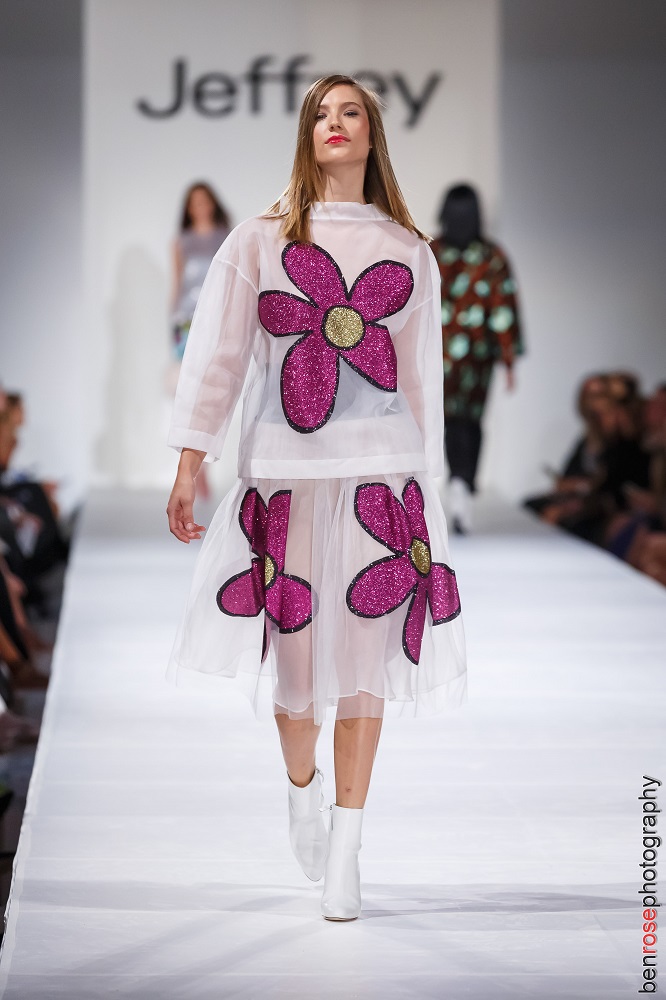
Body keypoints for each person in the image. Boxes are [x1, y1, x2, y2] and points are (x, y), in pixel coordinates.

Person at [166, 75, 466, 922]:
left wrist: (429, 488)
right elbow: (219, 359)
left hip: (381, 474)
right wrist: (189, 463)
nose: (335, 123)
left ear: (372, 133)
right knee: (296, 676)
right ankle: (303, 790)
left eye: (351, 112)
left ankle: (348, 848)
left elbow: (419, 381)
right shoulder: (262, 240)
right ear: (306, 135)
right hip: (286, 474)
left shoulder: (409, 250)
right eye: (321, 114)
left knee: (366, 669)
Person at [431, 184, 524, 533]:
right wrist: (508, 359)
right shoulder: (491, 256)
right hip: (478, 357)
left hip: (439, 355)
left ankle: (459, 483)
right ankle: (464, 484)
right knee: (469, 421)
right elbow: (503, 309)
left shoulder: (433, 252)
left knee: (448, 420)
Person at [169, 183, 231, 500]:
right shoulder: (181, 242)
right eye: (194, 202)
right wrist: (171, 324)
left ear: (212, 203)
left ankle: (202, 461)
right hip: (185, 323)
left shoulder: (227, 238)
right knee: (190, 392)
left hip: (215, 321)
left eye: (204, 201)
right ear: (188, 208)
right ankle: (197, 468)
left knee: (211, 391)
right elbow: (178, 284)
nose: (200, 207)